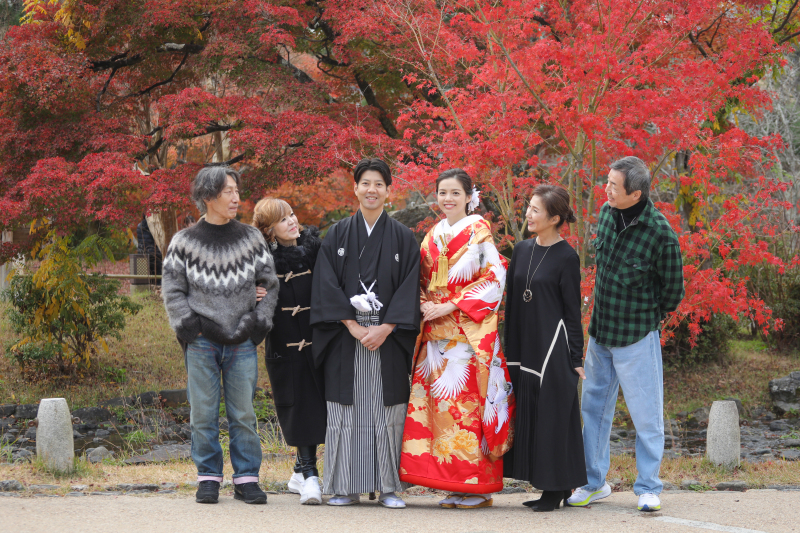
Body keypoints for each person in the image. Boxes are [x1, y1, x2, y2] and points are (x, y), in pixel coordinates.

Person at [567, 156, 684, 512]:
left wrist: (648, 317)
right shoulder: (605, 213)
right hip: (600, 333)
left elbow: (673, 292)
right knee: (593, 411)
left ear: (635, 193)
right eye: (607, 182)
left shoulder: (661, 233)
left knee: (646, 416)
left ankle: (648, 487)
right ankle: (593, 482)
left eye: (614, 186)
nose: (606, 189)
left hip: (636, 337)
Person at [162, 166, 280, 505]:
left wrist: (257, 325)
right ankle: (208, 477)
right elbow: (172, 289)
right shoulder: (184, 242)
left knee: (243, 412)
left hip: (242, 339)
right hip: (200, 340)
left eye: (236, 191)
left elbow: (269, 284)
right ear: (208, 196)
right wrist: (189, 327)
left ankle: (246, 478)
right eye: (228, 191)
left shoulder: (251, 238)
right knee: (203, 413)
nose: (236, 197)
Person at [399, 169, 514, 510]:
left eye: (454, 193)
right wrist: (421, 302)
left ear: (468, 196)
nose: (447, 198)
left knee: (468, 411)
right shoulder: (432, 234)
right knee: (439, 412)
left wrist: (450, 304)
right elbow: (419, 277)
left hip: (466, 337)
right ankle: (452, 484)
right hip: (434, 337)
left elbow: (494, 278)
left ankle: (477, 486)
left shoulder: (479, 231)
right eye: (442, 192)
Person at [310, 158, 421, 509]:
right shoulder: (338, 234)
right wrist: (354, 326)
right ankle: (345, 487)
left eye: (378, 184)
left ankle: (387, 487)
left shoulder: (404, 237)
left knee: (387, 411)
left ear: (389, 190)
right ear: (355, 188)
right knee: (347, 412)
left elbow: (409, 288)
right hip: (346, 336)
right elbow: (325, 285)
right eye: (365, 183)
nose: (371, 190)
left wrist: (387, 328)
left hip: (387, 337)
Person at [503, 185, 587, 512]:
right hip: (525, 345)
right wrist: (509, 349)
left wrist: (575, 356)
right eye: (529, 207)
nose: (528, 214)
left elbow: (571, 312)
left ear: (554, 218)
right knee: (531, 414)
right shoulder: (522, 249)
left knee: (552, 416)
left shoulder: (567, 257)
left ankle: (557, 490)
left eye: (536, 210)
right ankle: (546, 486)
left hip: (553, 346)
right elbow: (512, 302)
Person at [252, 198, 326, 506]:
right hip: (284, 347)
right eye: (283, 220)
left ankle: (299, 472)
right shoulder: (261, 264)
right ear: (269, 231)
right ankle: (310, 476)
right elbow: (237, 294)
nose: (292, 222)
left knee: (319, 407)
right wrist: (250, 293)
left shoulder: (316, 251)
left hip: (319, 343)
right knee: (298, 408)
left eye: (292, 215)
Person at [136, 215, 162, 285]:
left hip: (142, 254)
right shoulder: (154, 226)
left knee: (144, 280)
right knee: (158, 277)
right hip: (155, 254)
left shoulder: (139, 225)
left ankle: (147, 292)